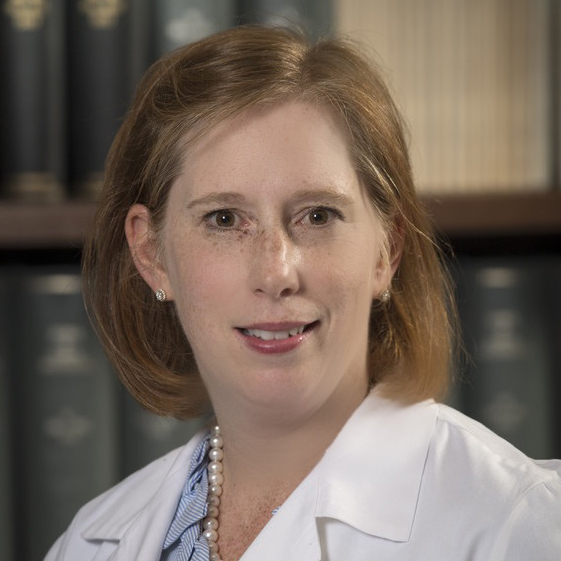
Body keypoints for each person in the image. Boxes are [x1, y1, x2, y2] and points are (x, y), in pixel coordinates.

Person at [45, 25, 560, 561]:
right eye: (224, 219)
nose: (277, 272)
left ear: (386, 251)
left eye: (318, 216)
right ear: (151, 255)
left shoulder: (517, 525)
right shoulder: (90, 542)